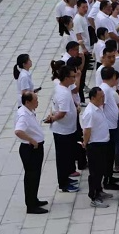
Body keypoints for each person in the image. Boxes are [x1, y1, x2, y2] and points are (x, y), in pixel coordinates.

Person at [44, 65, 80, 193]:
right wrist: (53, 118)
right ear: (65, 78)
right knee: (63, 158)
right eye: (72, 77)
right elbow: (62, 113)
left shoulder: (62, 88)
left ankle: (66, 178)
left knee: (67, 156)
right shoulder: (63, 93)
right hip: (63, 131)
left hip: (66, 129)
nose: (74, 79)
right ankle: (63, 184)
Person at [15, 91, 48, 214]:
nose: (37, 102)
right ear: (27, 102)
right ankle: (31, 205)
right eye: (35, 100)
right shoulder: (24, 115)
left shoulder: (28, 111)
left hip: (34, 147)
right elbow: (18, 131)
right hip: (30, 149)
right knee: (31, 177)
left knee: (35, 176)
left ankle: (34, 199)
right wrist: (32, 141)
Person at [81, 87, 112, 208]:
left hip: (103, 143)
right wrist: (85, 142)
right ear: (93, 98)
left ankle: (99, 190)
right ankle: (93, 196)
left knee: (102, 169)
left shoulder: (98, 108)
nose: (103, 99)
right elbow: (87, 130)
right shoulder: (90, 112)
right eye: (100, 97)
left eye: (103, 96)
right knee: (95, 172)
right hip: (95, 145)